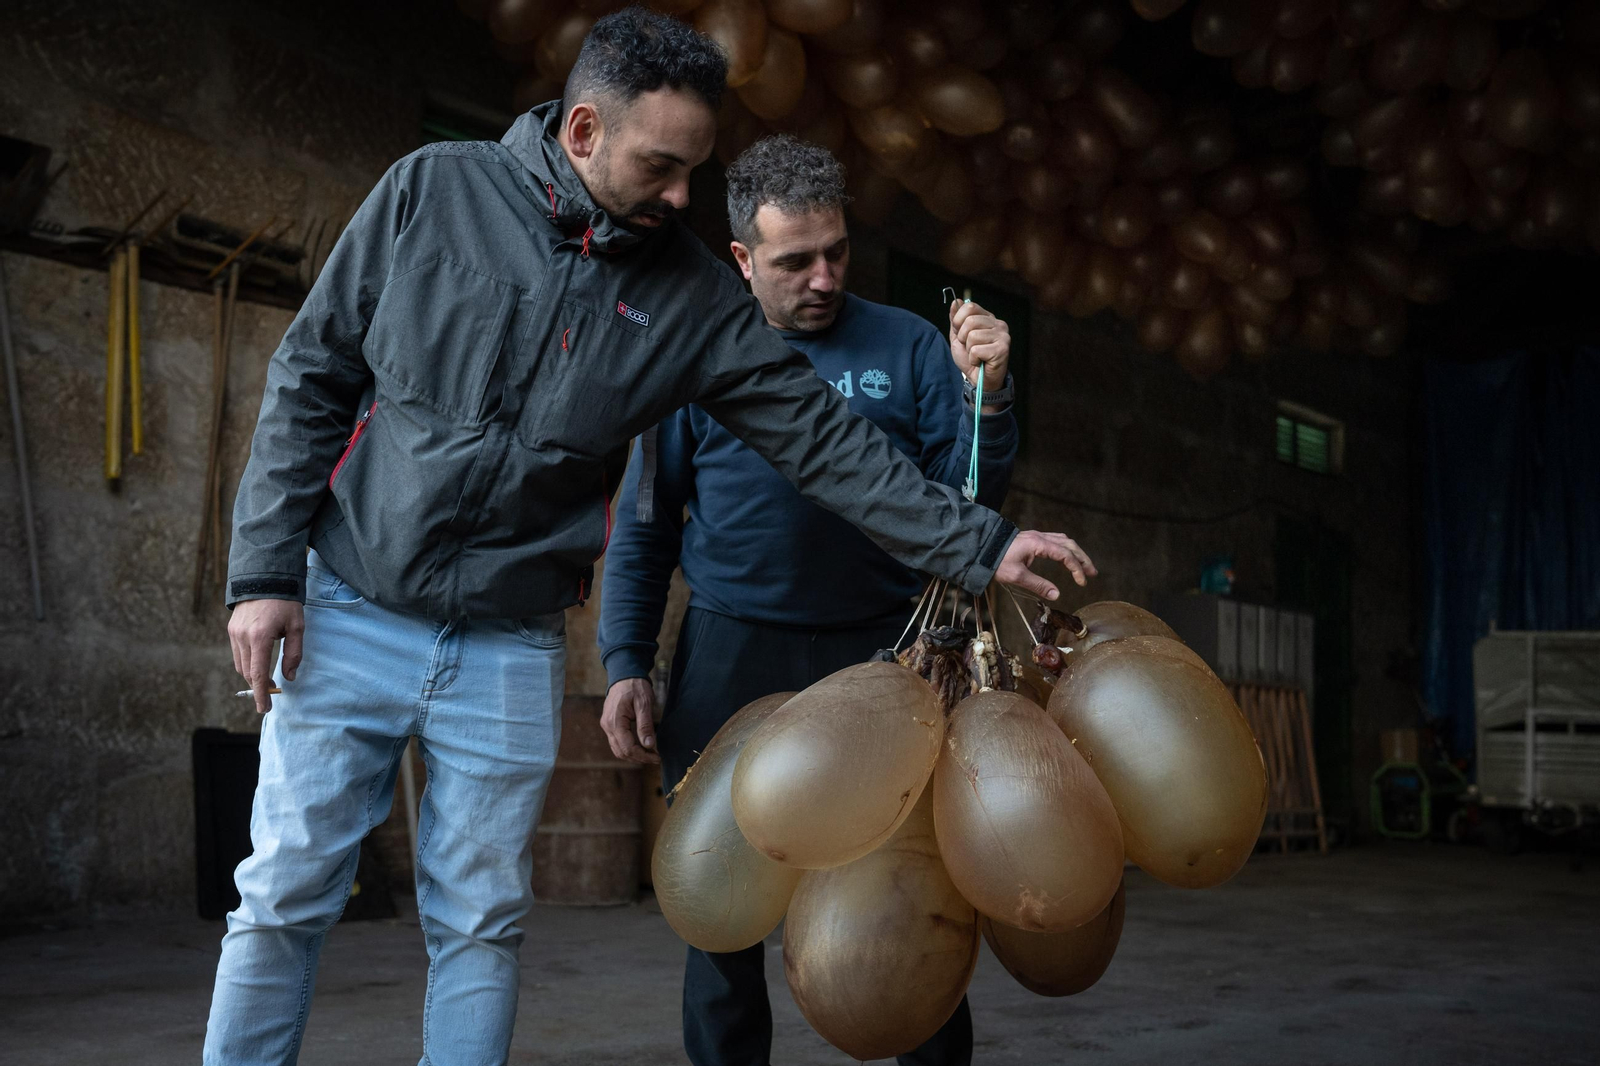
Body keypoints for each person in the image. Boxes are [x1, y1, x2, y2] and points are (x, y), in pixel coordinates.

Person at [208, 8, 1093, 1065]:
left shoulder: (692, 297)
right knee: (282, 895)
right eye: (662, 167)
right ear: (583, 131)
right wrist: (264, 573)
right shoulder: (430, 191)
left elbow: (819, 439)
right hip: (350, 601)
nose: (681, 196)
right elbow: (313, 374)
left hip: (510, 637)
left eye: (695, 170)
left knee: (480, 921)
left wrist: (974, 541)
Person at [596, 134, 1077, 1066]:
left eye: (837, 252)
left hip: (884, 658)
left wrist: (989, 397)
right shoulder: (698, 354)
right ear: (742, 259)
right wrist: (626, 661)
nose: (823, 276)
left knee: (912, 908)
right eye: (794, 260)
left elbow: (966, 502)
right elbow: (646, 525)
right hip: (732, 658)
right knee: (722, 923)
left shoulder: (903, 343)